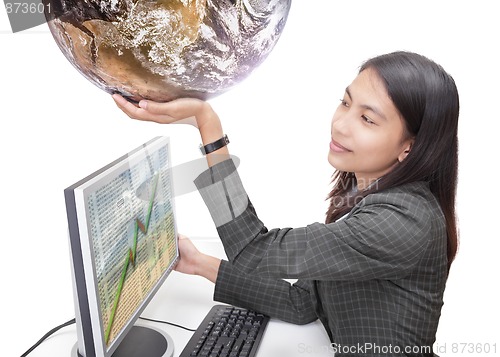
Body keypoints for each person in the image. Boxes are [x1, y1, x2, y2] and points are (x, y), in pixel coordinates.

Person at [112, 51, 459, 356]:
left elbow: (253, 251)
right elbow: (304, 303)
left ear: (409, 147)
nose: (340, 124)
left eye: (367, 119)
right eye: (345, 102)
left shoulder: (401, 223)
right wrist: (201, 264)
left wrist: (207, 124)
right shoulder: (372, 200)